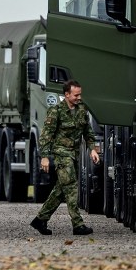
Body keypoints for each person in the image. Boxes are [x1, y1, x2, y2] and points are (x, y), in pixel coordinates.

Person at [30, 79, 99, 236]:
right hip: (61, 153)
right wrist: (44, 157)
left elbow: (88, 132)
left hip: (74, 154)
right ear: (67, 94)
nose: (79, 98)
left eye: (80, 95)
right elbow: (46, 135)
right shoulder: (56, 111)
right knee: (71, 186)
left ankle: (40, 219)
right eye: (76, 95)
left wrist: (92, 150)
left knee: (61, 189)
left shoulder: (82, 110)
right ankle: (78, 224)